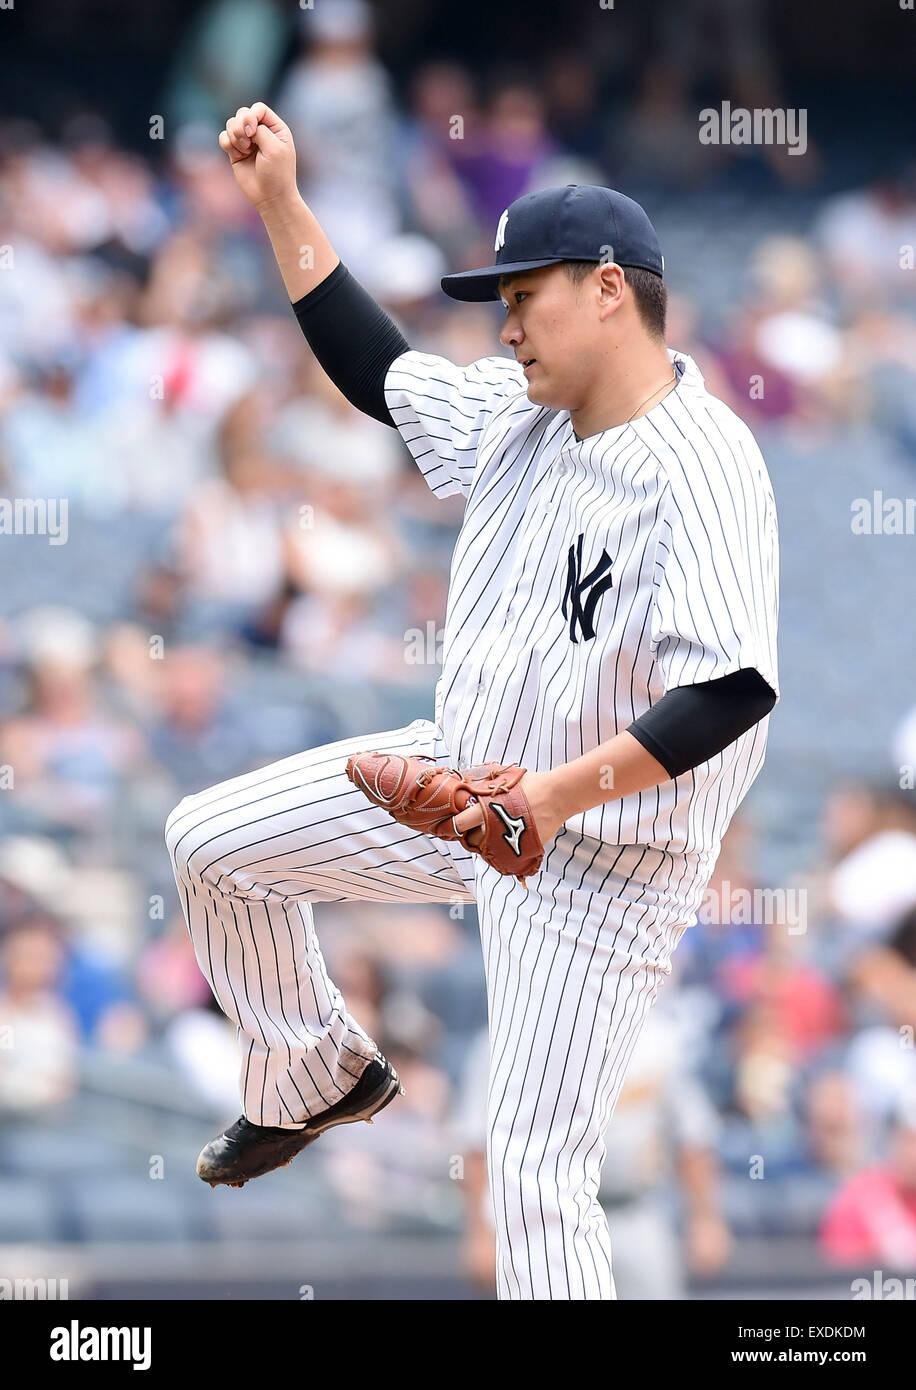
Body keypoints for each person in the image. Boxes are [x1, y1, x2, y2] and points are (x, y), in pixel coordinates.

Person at [166, 100, 779, 1300]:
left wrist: (546, 799)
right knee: (210, 845)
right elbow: (373, 367)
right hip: (463, 784)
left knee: (536, 1179)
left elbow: (728, 689)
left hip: (599, 864)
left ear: (610, 290)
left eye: (522, 299)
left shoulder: (700, 461)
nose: (504, 330)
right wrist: (283, 203)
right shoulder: (516, 418)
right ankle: (313, 1070)